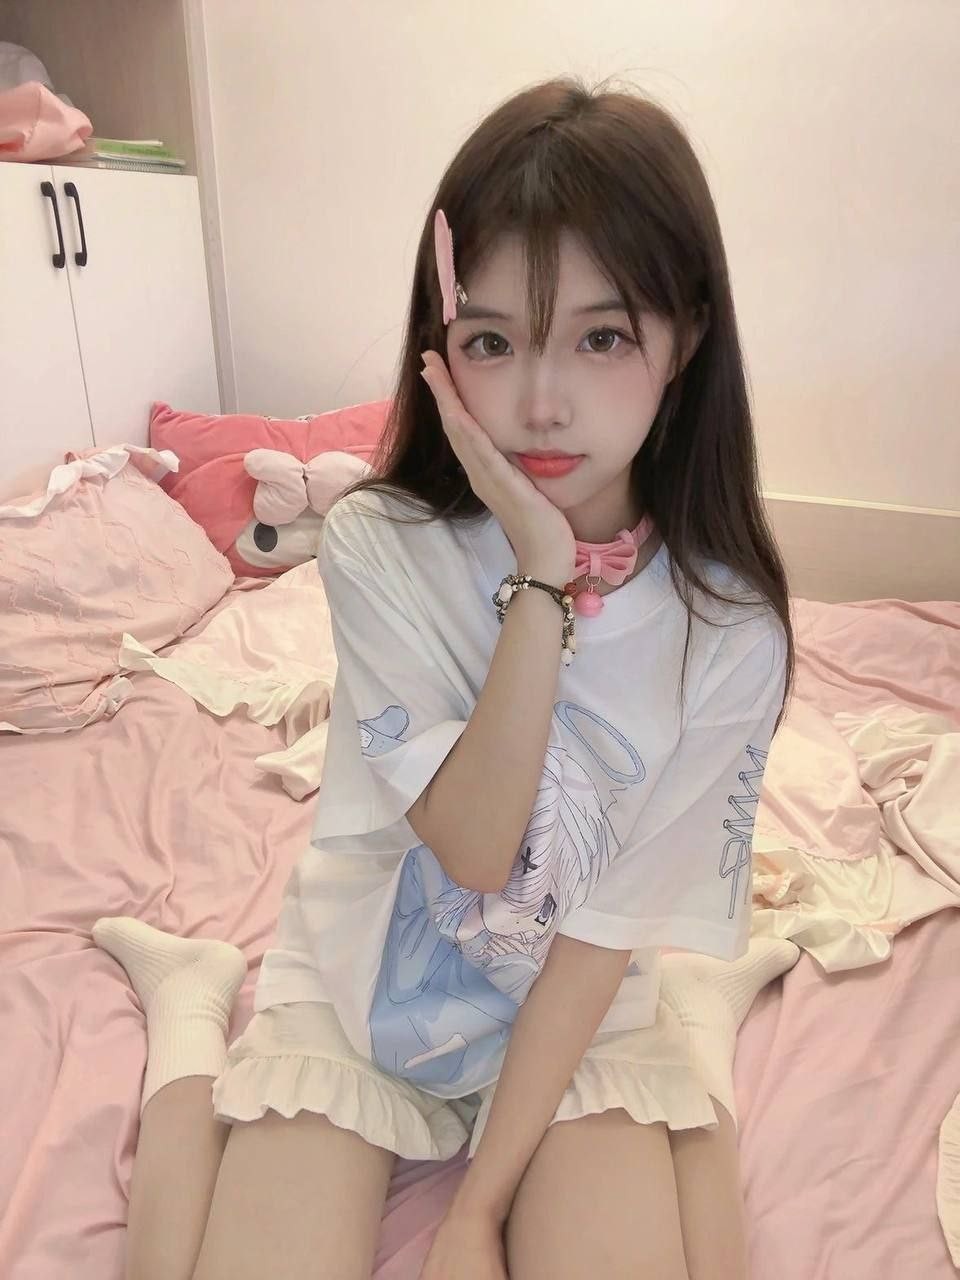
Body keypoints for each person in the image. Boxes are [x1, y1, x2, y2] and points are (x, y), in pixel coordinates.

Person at [93, 76, 802, 1280]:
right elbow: (475, 846)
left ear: (684, 336)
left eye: (602, 336)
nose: (540, 400)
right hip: (364, 987)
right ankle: (190, 1014)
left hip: (577, 1003)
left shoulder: (725, 627)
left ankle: (695, 1019)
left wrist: (480, 1208)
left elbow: (594, 935)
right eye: (491, 340)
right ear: (441, 349)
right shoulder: (379, 542)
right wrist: (543, 573)